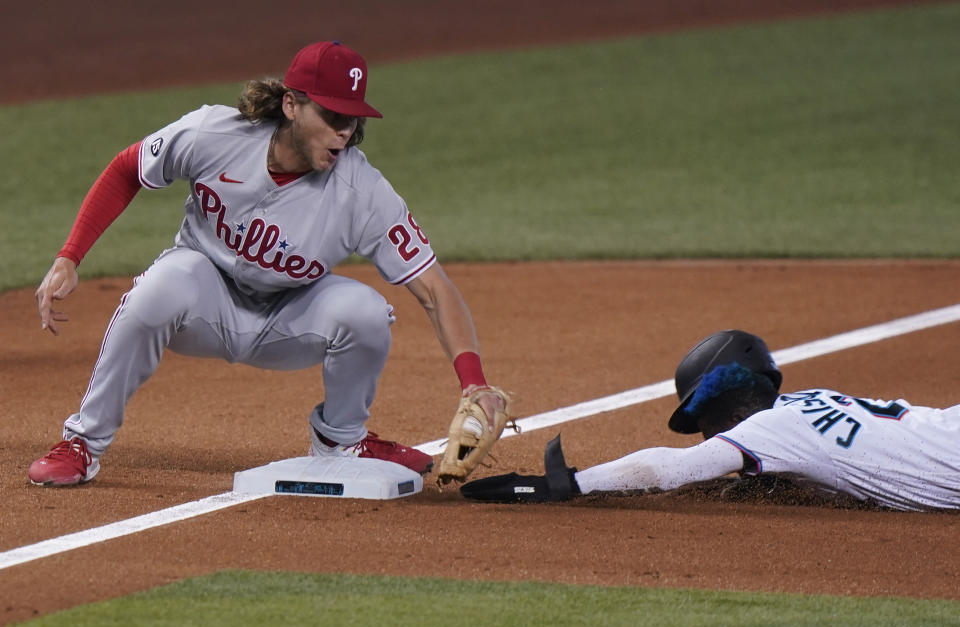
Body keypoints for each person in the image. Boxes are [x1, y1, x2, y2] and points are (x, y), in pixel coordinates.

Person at [30, 41, 505, 486]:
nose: (344, 130)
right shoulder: (213, 134)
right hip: (203, 300)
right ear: (292, 105)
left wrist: (474, 384)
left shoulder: (363, 192)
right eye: (332, 113)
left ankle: (341, 442)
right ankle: (83, 443)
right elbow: (127, 168)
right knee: (159, 287)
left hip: (287, 320)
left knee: (366, 311)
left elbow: (435, 290)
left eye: (353, 118)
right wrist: (69, 257)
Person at [461, 330, 960, 512]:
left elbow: (670, 469)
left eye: (706, 419)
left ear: (732, 409)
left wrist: (565, 484)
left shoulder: (770, 429)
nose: (707, 434)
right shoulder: (808, 402)